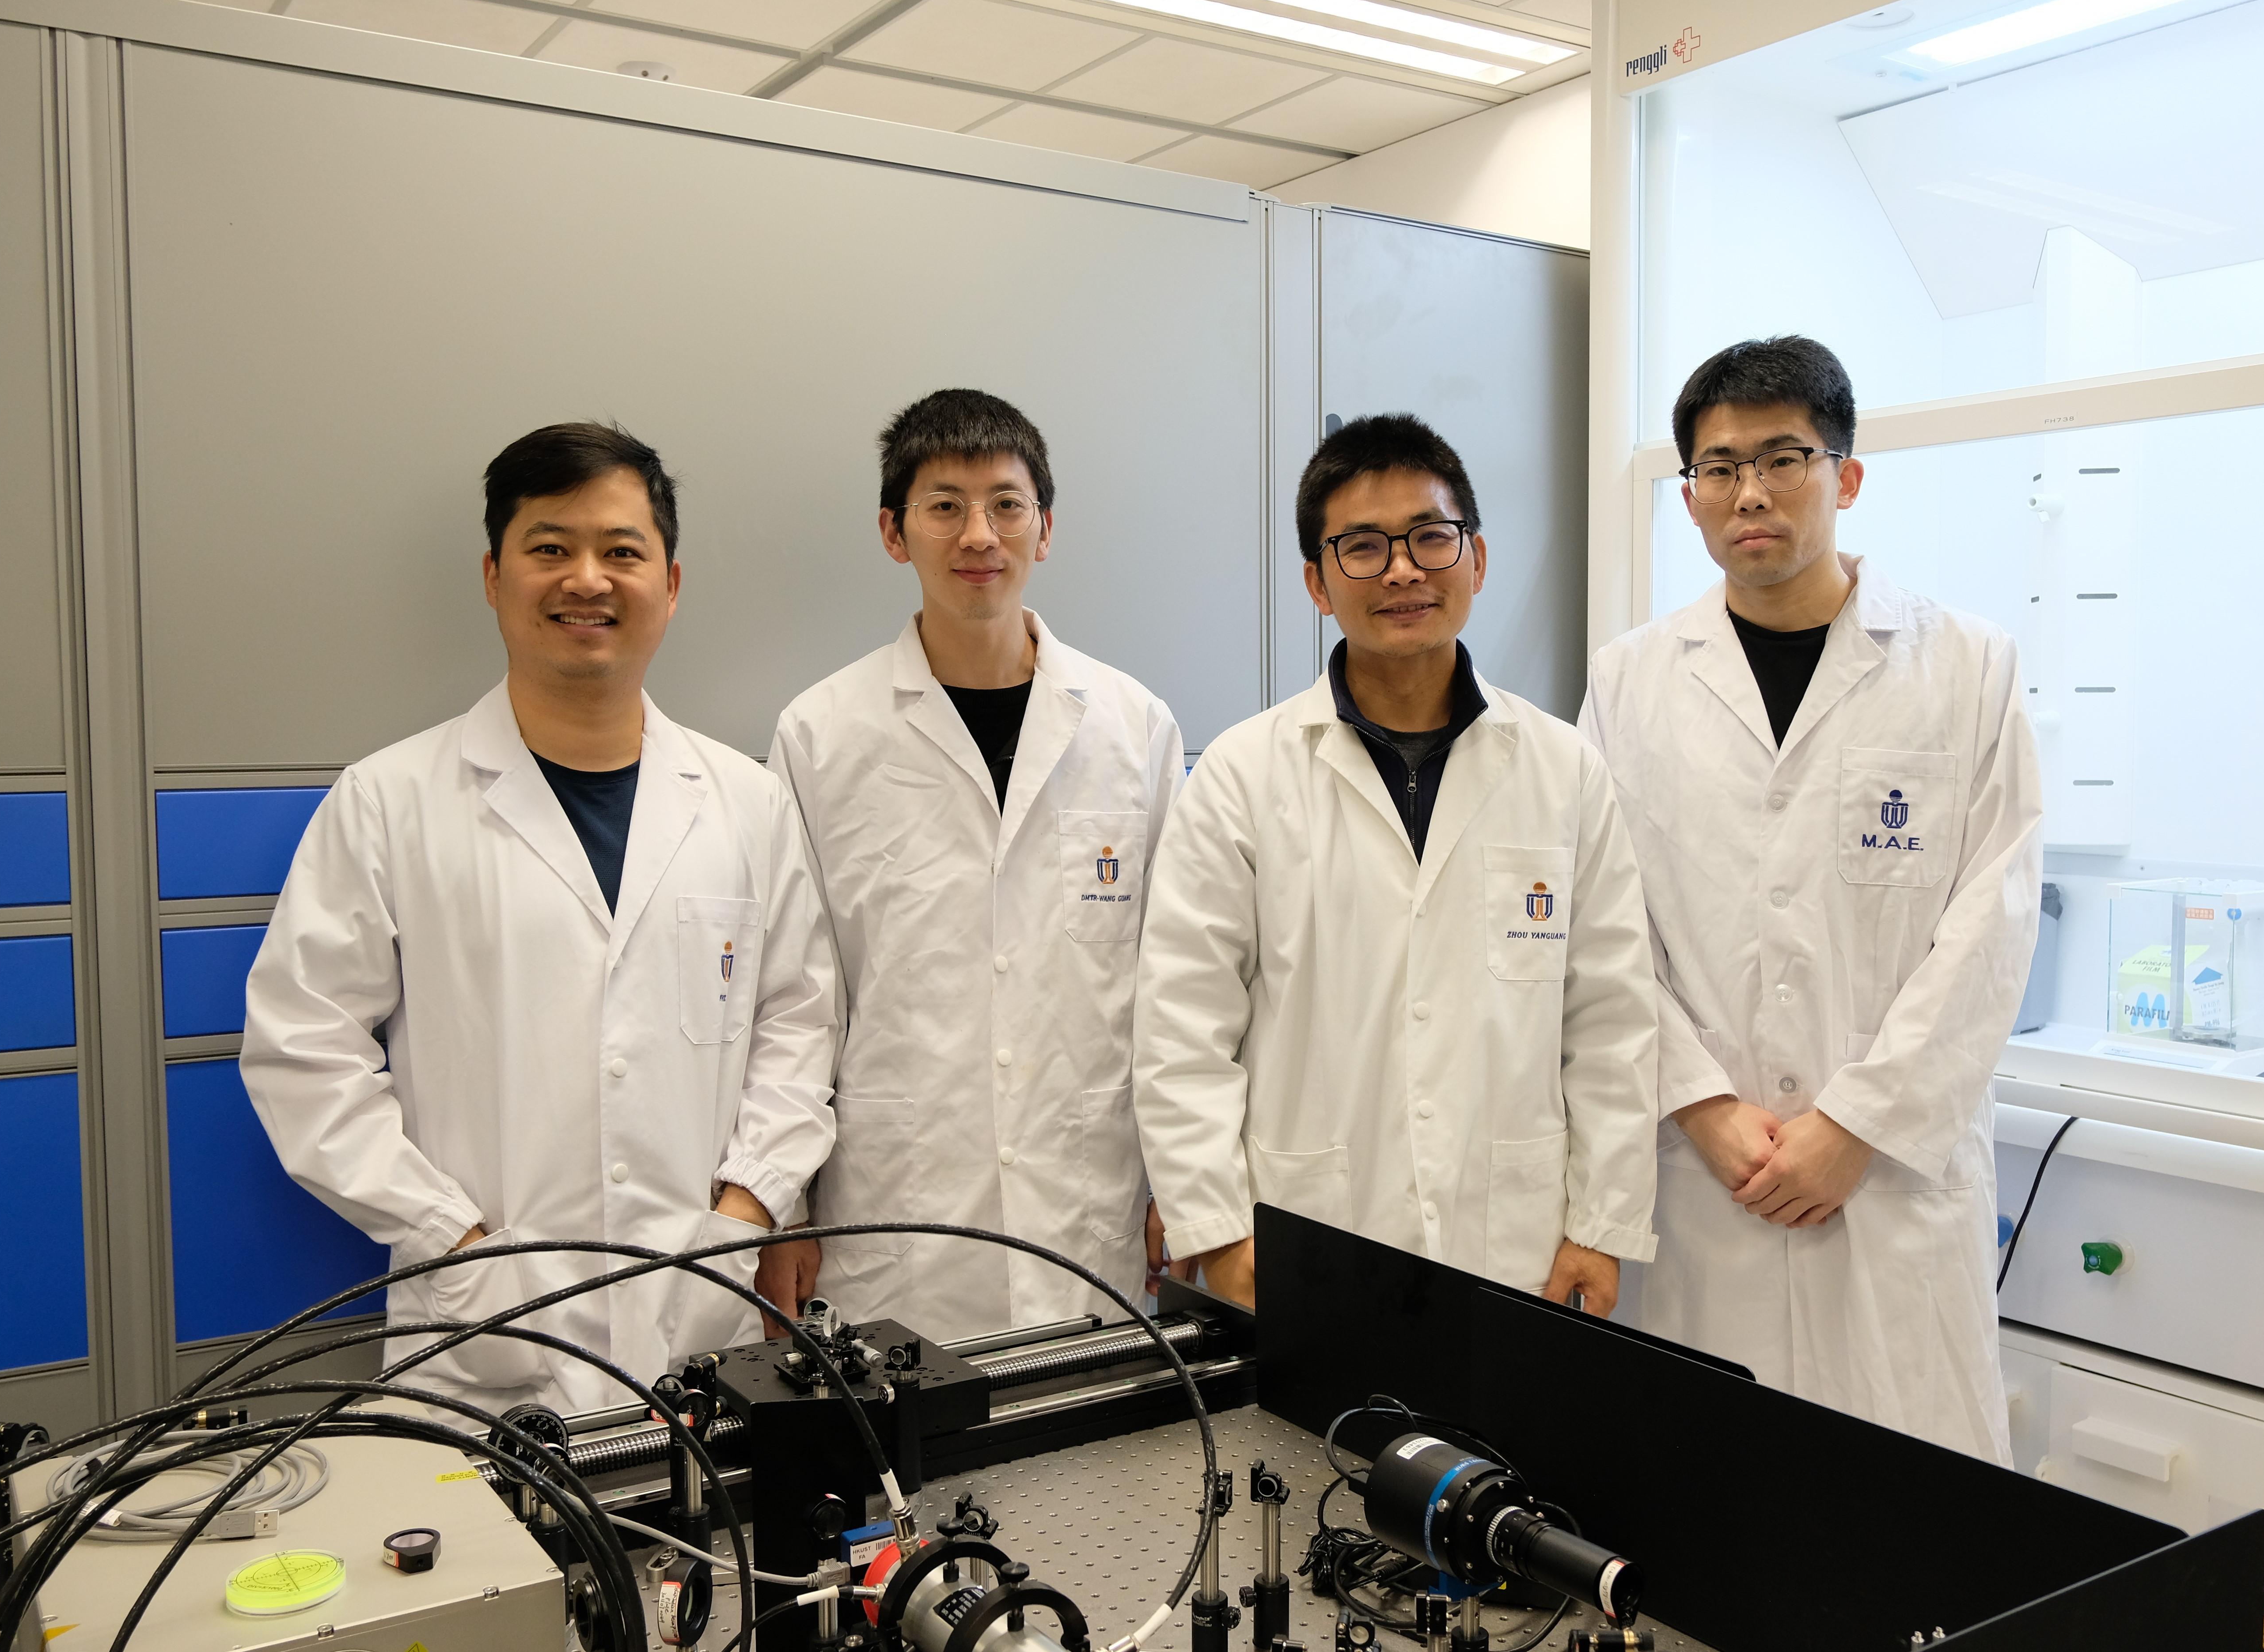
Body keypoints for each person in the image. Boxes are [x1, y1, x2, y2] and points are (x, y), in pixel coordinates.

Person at [242, 422, 838, 1415]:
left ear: (672, 582)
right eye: (551, 549)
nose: (587, 580)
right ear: (493, 574)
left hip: (704, 1315)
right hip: (483, 1332)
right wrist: (454, 1238)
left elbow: (800, 1022)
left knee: (713, 1563)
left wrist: (745, 1211)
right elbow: (301, 1053)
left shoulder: (747, 802)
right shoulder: (390, 801)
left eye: (621, 551)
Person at [1578, 336, 2041, 1463]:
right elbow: (1603, 928)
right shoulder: (1630, 679)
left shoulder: (1967, 667)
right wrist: (1700, 1103)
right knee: (1709, 1508)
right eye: (1718, 466)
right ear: (1688, 495)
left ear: (1846, 473)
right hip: (1707, 1178)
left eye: (1783, 457)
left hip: (1887, 1192)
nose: (1750, 492)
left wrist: (1854, 1125)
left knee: (1907, 1520)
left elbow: (1993, 923)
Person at [1134, 414, 1660, 1312]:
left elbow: (1611, 1018)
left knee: (1504, 1452)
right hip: (1306, 1232)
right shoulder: (1242, 772)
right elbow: (1183, 1026)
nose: (1404, 569)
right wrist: (1218, 1227)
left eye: (1430, 537)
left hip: (1520, 1245)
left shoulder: (1564, 767)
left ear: (1478, 559)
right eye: (1364, 547)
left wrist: (1602, 1224)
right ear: (1316, 580)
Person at [765, 390, 1184, 1343]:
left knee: (1095, 1468)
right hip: (897, 1212)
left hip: (1090, 1208)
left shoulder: (1135, 726)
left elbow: (1175, 983)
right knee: (907, 1473)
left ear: (1047, 526)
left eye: (1006, 503)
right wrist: (785, 1207)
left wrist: (1180, 1185)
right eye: (944, 505)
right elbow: (797, 991)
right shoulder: (822, 734)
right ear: (892, 531)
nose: (978, 534)